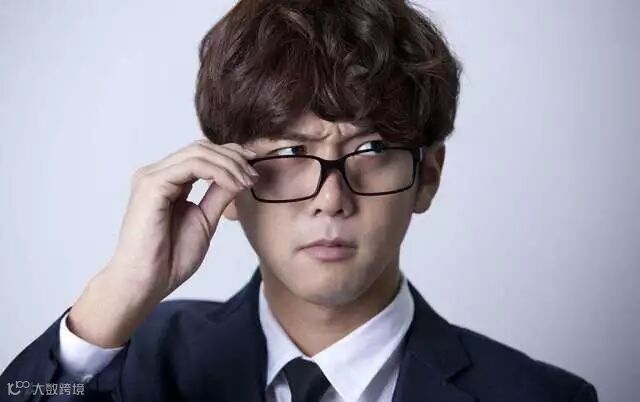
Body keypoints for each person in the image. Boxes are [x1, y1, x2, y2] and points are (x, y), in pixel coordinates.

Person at [1, 0, 598, 401]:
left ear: (428, 176)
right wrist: (118, 294)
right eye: (289, 152)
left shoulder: (541, 396)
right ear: (227, 180)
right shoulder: (129, 362)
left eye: (370, 149)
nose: (331, 200)